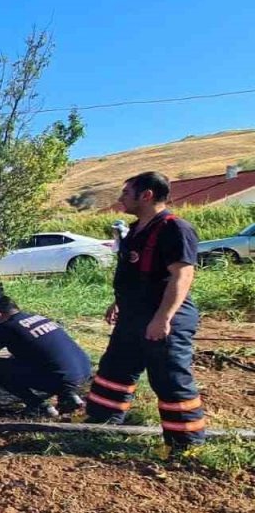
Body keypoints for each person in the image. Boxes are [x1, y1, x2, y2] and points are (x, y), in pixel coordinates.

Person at [86, 172, 206, 451]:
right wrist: (119, 302)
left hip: (163, 316)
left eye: (126, 193)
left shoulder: (175, 228)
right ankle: (102, 421)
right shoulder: (136, 230)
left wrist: (163, 318)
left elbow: (182, 276)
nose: (120, 198)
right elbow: (134, 273)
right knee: (115, 368)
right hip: (133, 315)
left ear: (147, 195)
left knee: (169, 379)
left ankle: (185, 444)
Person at [0, 296, 90, 416]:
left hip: (60, 378)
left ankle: (38, 405)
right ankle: (69, 396)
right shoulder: (37, 318)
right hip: (84, 372)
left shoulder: (6, 327)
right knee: (47, 363)